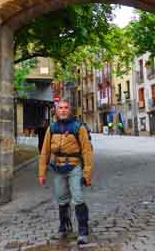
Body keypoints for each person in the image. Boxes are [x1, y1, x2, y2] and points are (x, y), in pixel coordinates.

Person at [38, 100, 94, 245]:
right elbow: (45, 152)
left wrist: (87, 174)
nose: (63, 110)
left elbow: (87, 151)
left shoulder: (78, 127)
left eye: (66, 108)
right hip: (57, 168)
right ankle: (64, 226)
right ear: (56, 111)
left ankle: (83, 230)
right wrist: (42, 173)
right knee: (61, 198)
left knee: (78, 197)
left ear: (70, 110)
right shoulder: (52, 128)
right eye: (60, 108)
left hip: (75, 167)